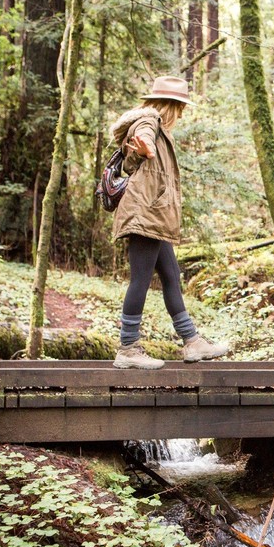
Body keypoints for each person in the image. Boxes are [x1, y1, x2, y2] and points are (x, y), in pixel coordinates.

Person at [109, 75, 229, 369]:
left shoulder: (157, 129)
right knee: (140, 279)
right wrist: (143, 147)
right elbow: (141, 143)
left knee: (172, 275)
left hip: (154, 214)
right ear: (171, 105)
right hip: (145, 213)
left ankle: (192, 343)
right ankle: (127, 348)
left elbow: (128, 163)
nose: (183, 113)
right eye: (181, 107)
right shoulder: (149, 121)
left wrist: (139, 152)